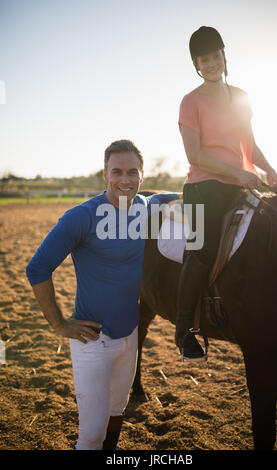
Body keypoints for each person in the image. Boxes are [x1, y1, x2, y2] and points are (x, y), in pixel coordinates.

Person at [26, 139, 178, 450]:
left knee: (117, 413)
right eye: (117, 171)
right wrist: (59, 325)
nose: (125, 179)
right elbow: (37, 269)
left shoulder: (146, 208)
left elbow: (173, 197)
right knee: (92, 435)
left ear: (142, 175)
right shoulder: (82, 216)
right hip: (92, 341)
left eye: (132, 172)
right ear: (105, 175)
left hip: (130, 336)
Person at [175, 26, 277, 361]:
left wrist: (268, 168)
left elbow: (249, 145)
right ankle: (182, 330)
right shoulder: (190, 102)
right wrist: (238, 171)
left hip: (240, 183)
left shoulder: (240, 96)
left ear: (224, 55)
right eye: (203, 58)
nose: (210, 63)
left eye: (215, 56)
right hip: (201, 189)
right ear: (196, 63)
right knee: (203, 250)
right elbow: (195, 155)